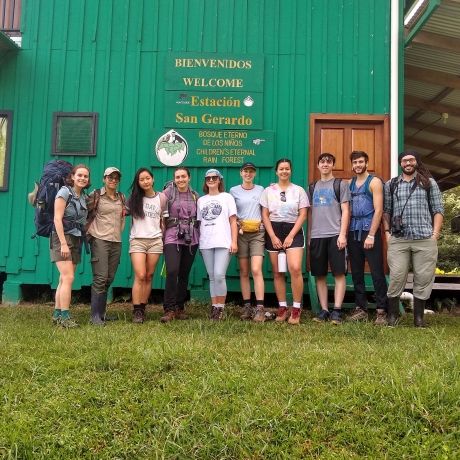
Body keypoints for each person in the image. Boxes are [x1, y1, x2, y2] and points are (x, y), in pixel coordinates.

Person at [383, 151, 444, 327]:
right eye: (404, 160)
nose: (408, 163)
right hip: (399, 239)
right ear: (400, 163)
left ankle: (419, 319)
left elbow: (438, 210)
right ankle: (393, 316)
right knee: (397, 276)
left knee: (423, 277)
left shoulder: (428, 183)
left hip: (425, 238)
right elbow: (387, 210)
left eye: (411, 160)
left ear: (416, 162)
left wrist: (435, 235)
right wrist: (387, 233)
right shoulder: (391, 184)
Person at [260, 158, 308, 325]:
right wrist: (272, 236)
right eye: (281, 169)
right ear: (276, 171)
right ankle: (282, 307)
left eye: (287, 169)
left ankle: (296, 307)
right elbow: (265, 215)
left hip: (292, 230)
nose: (284, 171)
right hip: (273, 229)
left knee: (294, 268)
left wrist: (290, 236)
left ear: (291, 171)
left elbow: (303, 214)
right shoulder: (268, 191)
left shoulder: (299, 190)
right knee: (277, 271)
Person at [347, 151, 388, 325]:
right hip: (353, 230)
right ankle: (361, 308)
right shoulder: (350, 183)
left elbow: (379, 210)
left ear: (367, 162)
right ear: (352, 165)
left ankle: (381, 311)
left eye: (361, 161)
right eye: (355, 162)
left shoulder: (375, 182)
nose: (357, 165)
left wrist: (371, 234)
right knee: (356, 272)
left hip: (369, 230)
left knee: (376, 272)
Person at [309, 153, 350, 325]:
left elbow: (346, 210)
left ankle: (337, 311)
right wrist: (311, 234)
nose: (325, 164)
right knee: (320, 275)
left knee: (339, 273)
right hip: (317, 236)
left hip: (335, 235)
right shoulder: (312, 187)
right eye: (322, 162)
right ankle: (324, 310)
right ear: (318, 165)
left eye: (328, 162)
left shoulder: (340, 184)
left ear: (333, 165)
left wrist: (342, 234)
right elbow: (309, 212)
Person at [51, 164, 90, 328]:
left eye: (85, 176)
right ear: (72, 176)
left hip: (76, 238)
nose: (82, 178)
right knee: (68, 278)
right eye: (79, 175)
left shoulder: (83, 197)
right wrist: (63, 244)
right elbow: (57, 219)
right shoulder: (64, 192)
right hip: (62, 238)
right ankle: (65, 317)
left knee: (63, 278)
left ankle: (57, 314)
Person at [86, 167, 126, 326]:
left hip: (116, 240)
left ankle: (102, 314)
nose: (113, 180)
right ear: (104, 179)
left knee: (109, 278)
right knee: (100, 278)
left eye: (116, 178)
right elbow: (83, 212)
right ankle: (94, 316)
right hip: (99, 239)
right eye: (110, 177)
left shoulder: (121, 197)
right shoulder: (95, 195)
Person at [127, 168, 167, 323]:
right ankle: (136, 310)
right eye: (141, 179)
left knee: (149, 276)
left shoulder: (162, 198)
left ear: (152, 179)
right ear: (138, 182)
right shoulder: (134, 199)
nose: (145, 181)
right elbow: (121, 213)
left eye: (147, 178)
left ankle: (142, 308)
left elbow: (164, 220)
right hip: (137, 240)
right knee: (140, 275)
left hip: (155, 241)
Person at [197, 169, 238, 321]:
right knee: (212, 276)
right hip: (206, 242)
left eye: (214, 177)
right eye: (208, 178)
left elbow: (233, 221)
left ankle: (221, 308)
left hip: (224, 241)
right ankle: (214, 307)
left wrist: (234, 241)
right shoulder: (201, 200)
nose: (211, 180)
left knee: (220, 275)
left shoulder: (227, 197)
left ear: (220, 180)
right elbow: (200, 222)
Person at [161, 167, 200, 322]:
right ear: (174, 179)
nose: (180, 179)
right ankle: (168, 308)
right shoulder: (168, 194)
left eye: (183, 176)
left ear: (189, 178)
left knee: (184, 273)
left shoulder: (195, 195)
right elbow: (158, 211)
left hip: (191, 238)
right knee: (172, 270)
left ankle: (179, 307)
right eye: (177, 177)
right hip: (172, 236)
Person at [230, 162, 266, 322]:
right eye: (246, 171)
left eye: (251, 171)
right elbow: (232, 212)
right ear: (241, 173)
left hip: (257, 233)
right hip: (242, 233)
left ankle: (260, 307)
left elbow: (266, 209)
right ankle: (247, 306)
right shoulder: (233, 191)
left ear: (255, 174)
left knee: (256, 269)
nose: (248, 174)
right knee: (244, 271)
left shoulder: (261, 190)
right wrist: (237, 223)